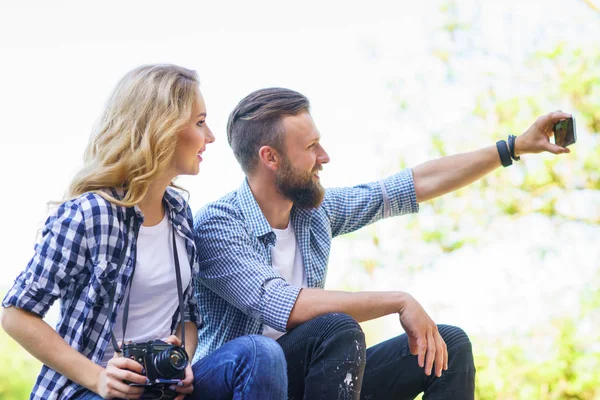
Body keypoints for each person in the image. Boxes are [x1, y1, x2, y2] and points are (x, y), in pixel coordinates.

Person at [192, 87, 572, 399]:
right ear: (270, 157)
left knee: (446, 347)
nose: (324, 157)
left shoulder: (313, 213)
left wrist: (514, 146)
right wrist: (398, 300)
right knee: (335, 328)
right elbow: (283, 304)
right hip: (241, 384)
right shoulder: (219, 224)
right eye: (311, 147)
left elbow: (410, 186)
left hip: (312, 378)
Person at [1, 65, 287, 400]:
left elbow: (187, 316)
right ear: (162, 128)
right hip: (91, 392)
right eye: (199, 122)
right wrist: (99, 378)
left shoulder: (179, 215)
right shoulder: (92, 213)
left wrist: (181, 360)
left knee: (260, 353)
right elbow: (16, 314)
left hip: (161, 390)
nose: (209, 136)